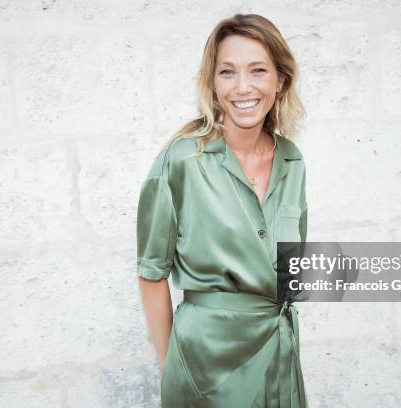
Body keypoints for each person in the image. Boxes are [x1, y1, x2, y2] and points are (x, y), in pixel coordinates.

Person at [136, 13, 309, 408]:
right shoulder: (182, 160)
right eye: (227, 72)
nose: (243, 87)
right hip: (206, 367)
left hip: (280, 359)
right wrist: (172, 367)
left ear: (280, 80)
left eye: (258, 70)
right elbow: (151, 273)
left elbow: (291, 269)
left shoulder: (293, 160)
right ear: (213, 84)